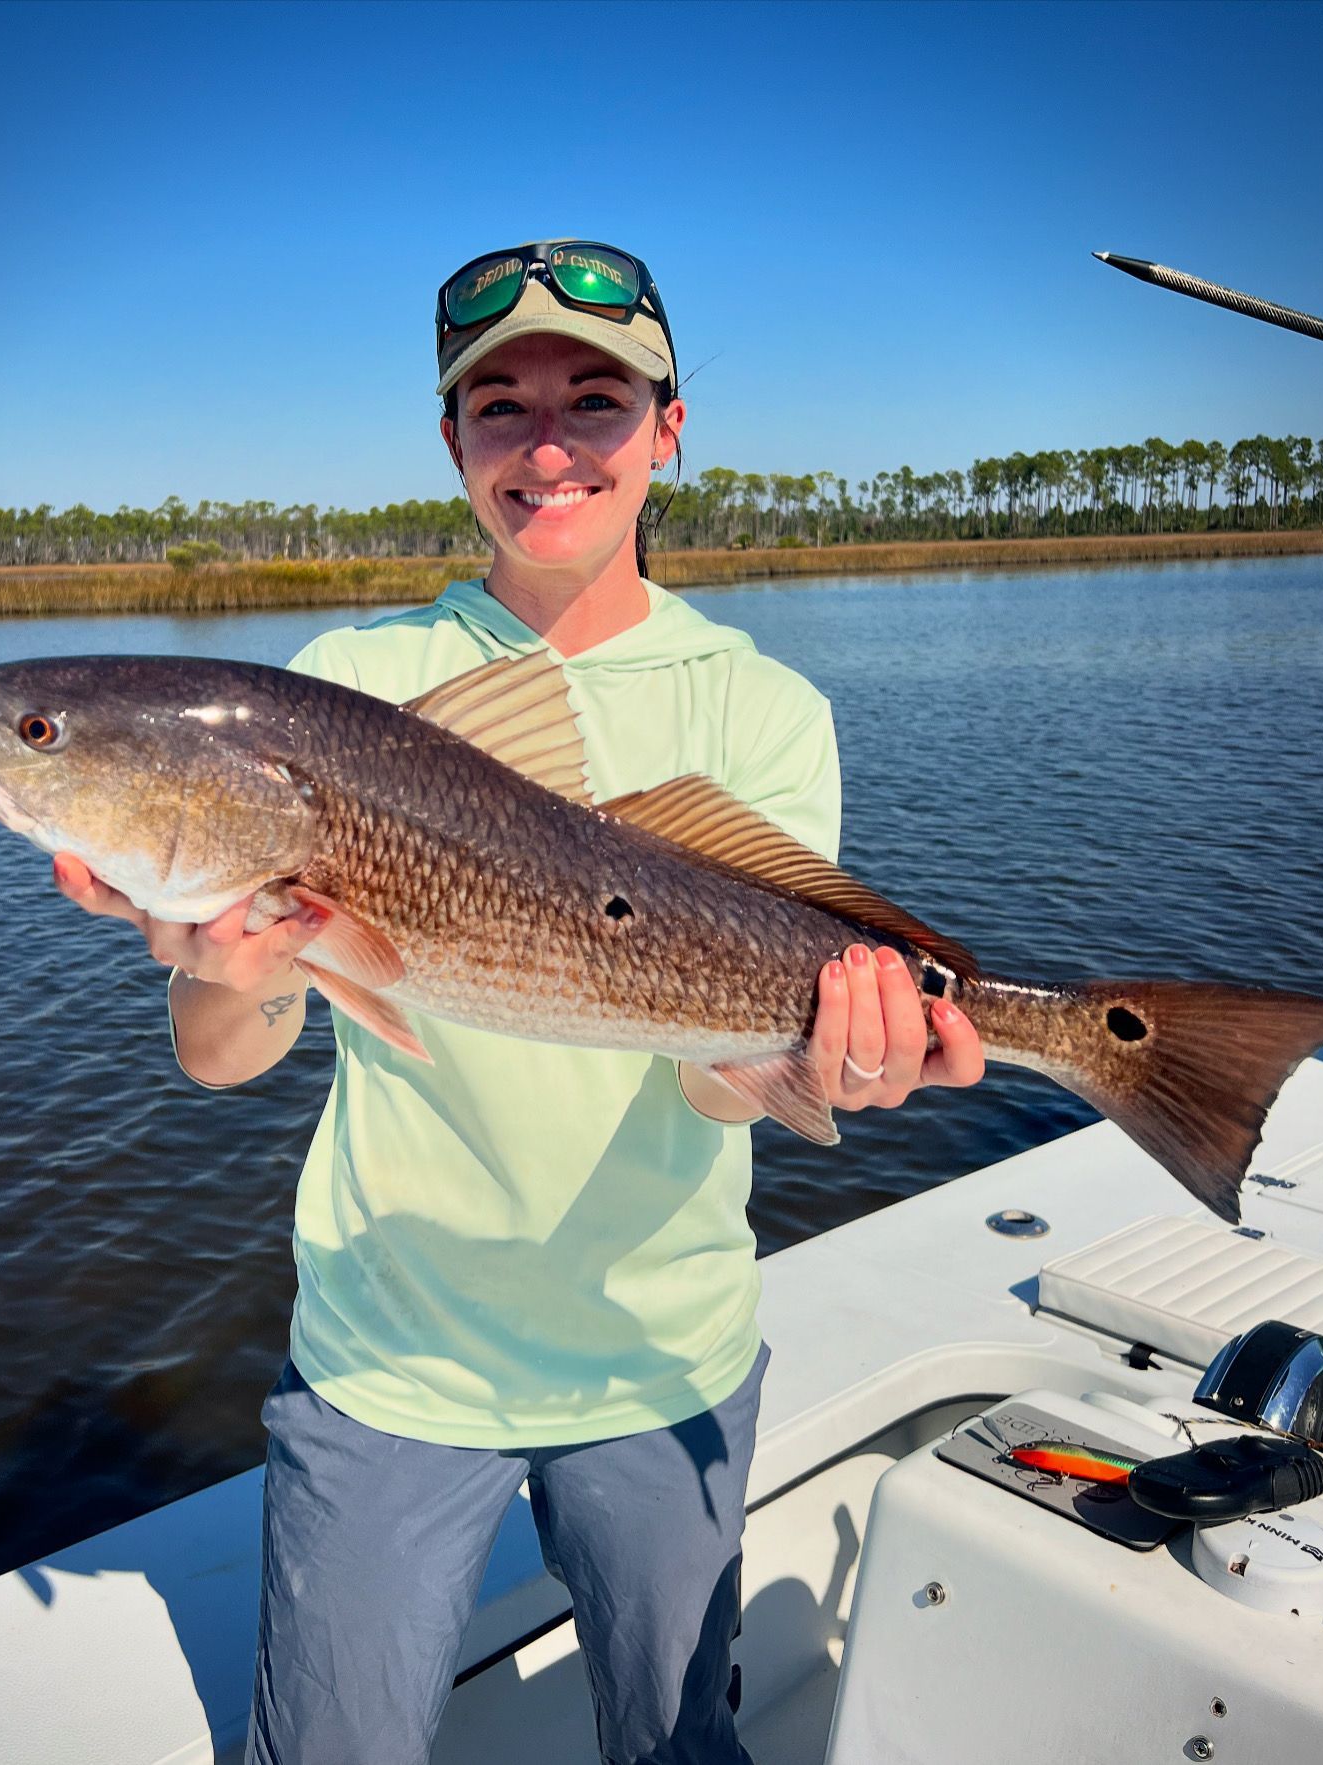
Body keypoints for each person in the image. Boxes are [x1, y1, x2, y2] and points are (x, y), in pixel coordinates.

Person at [52, 239, 985, 1765]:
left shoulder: (762, 707)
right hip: (388, 1356)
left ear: (669, 426)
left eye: (594, 399)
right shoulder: (354, 680)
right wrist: (230, 964)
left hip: (661, 1350)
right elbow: (228, 1058)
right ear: (451, 444)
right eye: (500, 407)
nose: (547, 446)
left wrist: (839, 1064)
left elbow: (721, 1076)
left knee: (684, 1743)